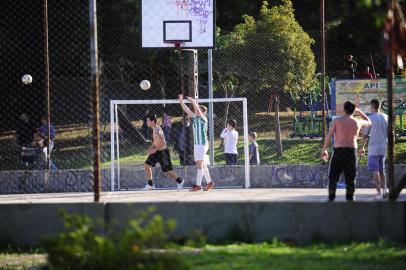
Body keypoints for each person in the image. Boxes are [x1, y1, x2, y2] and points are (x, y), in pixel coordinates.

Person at [321, 101, 371, 201]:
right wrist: (359, 111)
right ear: (353, 110)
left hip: (338, 151)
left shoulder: (337, 121)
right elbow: (369, 121)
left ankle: (331, 196)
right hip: (351, 151)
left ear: (344, 109)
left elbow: (329, 135)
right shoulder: (358, 121)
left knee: (333, 176)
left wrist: (325, 149)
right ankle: (350, 197)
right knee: (351, 177)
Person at [179, 94, 215, 191]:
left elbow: (198, 111)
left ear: (203, 112)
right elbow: (187, 110)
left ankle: (198, 185)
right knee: (202, 164)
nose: (196, 110)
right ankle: (210, 182)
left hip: (202, 144)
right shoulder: (195, 118)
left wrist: (193, 102)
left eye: (199, 109)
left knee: (199, 164)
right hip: (197, 144)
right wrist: (181, 101)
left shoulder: (204, 119)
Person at [143, 114, 185, 191]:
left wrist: (155, 150)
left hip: (162, 152)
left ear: (153, 121)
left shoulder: (158, 129)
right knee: (147, 165)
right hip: (156, 152)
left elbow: (163, 141)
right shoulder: (154, 129)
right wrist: (150, 149)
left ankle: (180, 181)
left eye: (148, 121)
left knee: (167, 170)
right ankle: (150, 185)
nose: (147, 122)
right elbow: (155, 142)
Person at [360, 99, 389, 199]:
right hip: (384, 147)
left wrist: (362, 147)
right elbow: (392, 134)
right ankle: (385, 189)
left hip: (374, 148)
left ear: (372, 107)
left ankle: (378, 193)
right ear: (379, 106)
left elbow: (365, 135)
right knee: (382, 169)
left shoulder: (370, 118)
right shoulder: (386, 117)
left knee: (375, 170)